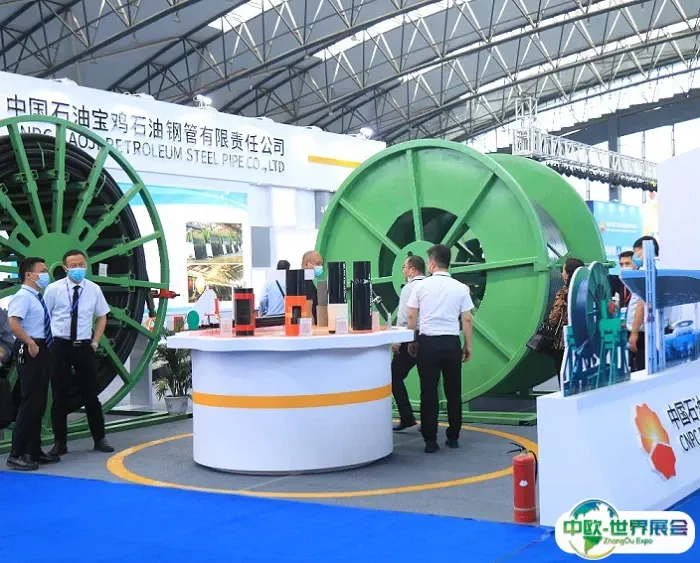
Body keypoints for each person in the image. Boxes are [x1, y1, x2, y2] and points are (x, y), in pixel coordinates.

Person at [44, 250, 114, 456]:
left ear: (86, 265)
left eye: (81, 264)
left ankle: (100, 439)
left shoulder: (93, 289)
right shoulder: (54, 289)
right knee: (60, 395)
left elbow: (102, 316)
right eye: (73, 265)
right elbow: (44, 316)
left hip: (84, 346)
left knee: (91, 394)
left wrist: (95, 342)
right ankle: (60, 443)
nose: (78, 269)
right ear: (65, 268)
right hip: (60, 346)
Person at [407, 244, 473, 454]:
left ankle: (430, 440)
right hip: (451, 342)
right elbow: (467, 319)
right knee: (453, 390)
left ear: (432, 264)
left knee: (428, 391)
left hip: (428, 343)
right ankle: (453, 437)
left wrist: (412, 341)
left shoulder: (420, 287)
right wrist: (467, 344)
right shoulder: (461, 288)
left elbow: (411, 316)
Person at [6, 257, 59, 470]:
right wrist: (29, 342)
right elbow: (13, 322)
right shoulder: (23, 297)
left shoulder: (36, 297)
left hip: (41, 347)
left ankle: (33, 451)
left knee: (38, 403)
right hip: (31, 349)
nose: (46, 274)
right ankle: (16, 454)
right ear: (29, 275)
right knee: (30, 403)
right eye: (42, 271)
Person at [391, 255, 425, 432]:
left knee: (393, 376)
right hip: (429, 337)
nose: (403, 271)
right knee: (427, 381)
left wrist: (397, 340)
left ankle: (407, 417)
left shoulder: (409, 288)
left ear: (412, 270)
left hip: (411, 337)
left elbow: (405, 317)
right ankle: (428, 422)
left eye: (404, 267)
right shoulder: (430, 286)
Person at [546, 257, 585, 383]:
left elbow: (554, 319)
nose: (562, 274)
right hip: (583, 340)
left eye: (563, 270)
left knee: (564, 378)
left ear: (568, 274)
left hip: (563, 343)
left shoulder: (564, 293)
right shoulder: (585, 290)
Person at [627, 235, 661, 371]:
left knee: (643, 369)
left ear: (643, 249)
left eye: (635, 252)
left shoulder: (645, 271)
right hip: (660, 328)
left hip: (644, 332)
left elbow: (642, 304)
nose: (634, 256)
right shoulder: (663, 267)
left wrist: (634, 333)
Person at [301, 250, 324, 324]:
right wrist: (312, 329)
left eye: (321, 264)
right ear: (306, 264)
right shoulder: (306, 282)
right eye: (317, 264)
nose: (320, 267)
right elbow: (308, 311)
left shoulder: (301, 280)